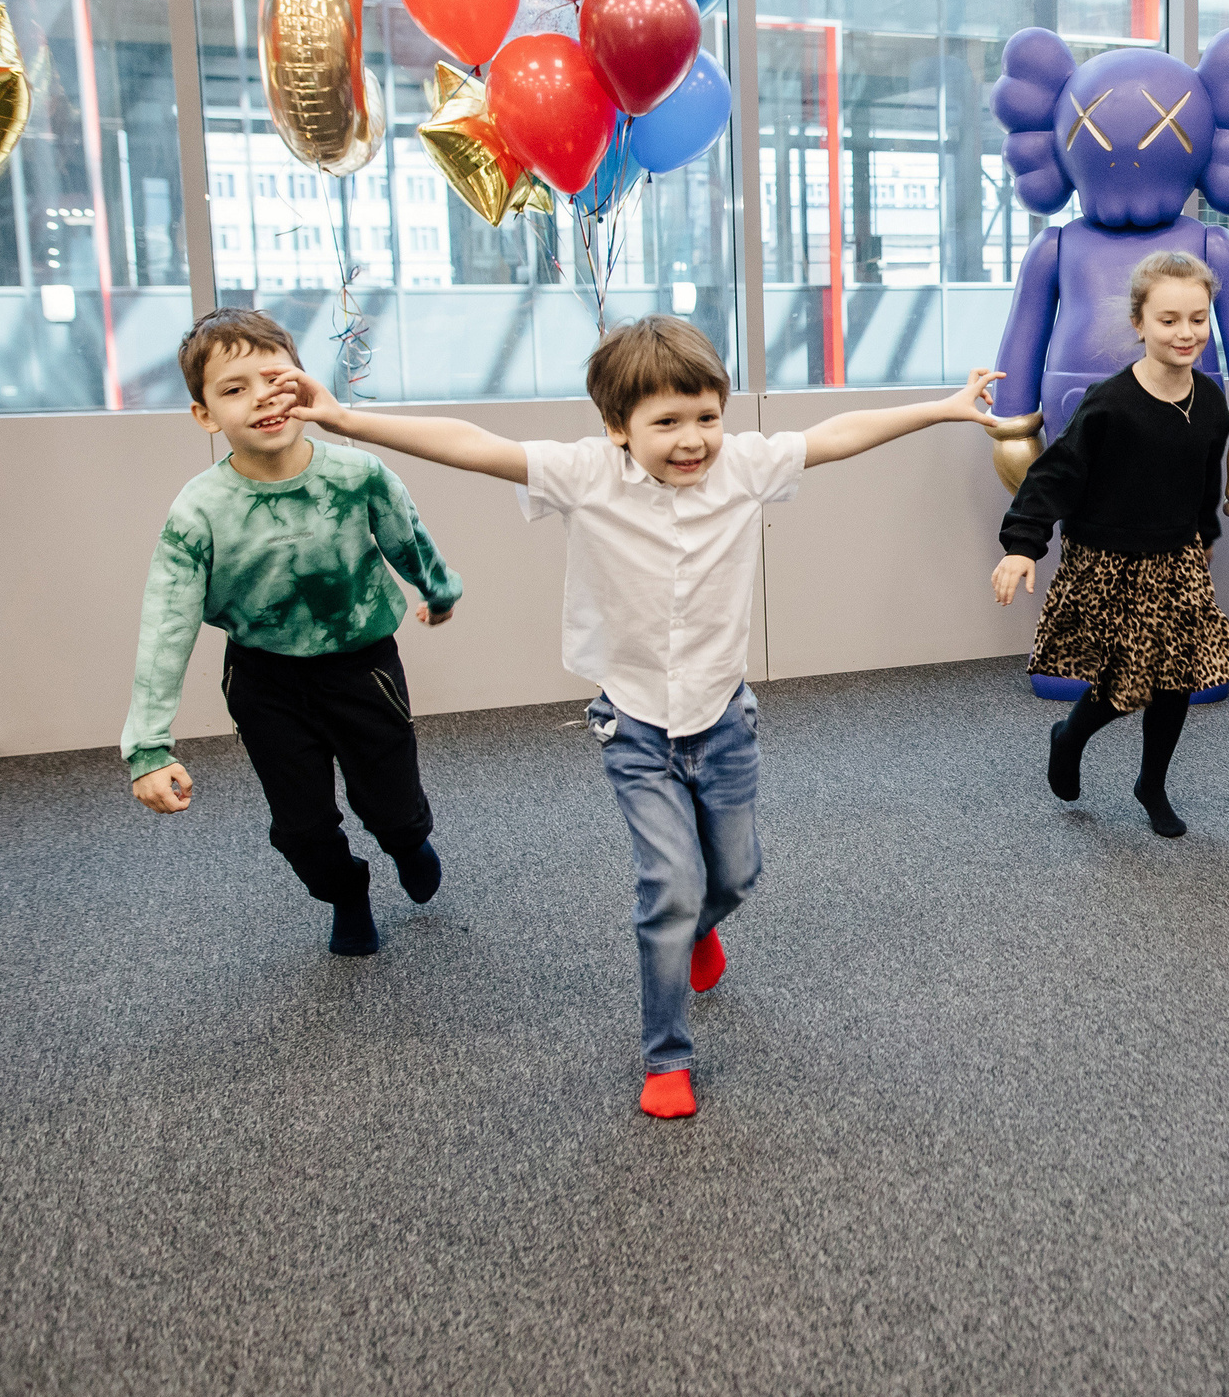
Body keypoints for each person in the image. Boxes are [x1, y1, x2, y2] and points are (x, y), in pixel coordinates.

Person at [273, 316, 998, 1120]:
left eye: (707, 417)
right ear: (618, 427)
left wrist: (942, 407)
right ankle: (666, 1055)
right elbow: (472, 444)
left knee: (734, 874)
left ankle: (698, 928)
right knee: (669, 885)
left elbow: (839, 434)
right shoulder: (586, 474)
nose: (693, 440)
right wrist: (344, 418)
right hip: (635, 725)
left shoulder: (746, 465)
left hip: (724, 718)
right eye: (667, 422)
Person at [124, 308, 462, 958]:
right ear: (204, 414)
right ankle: (346, 893)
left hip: (361, 667)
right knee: (302, 825)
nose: (259, 399)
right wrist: (147, 746)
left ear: (303, 384)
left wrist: (438, 590)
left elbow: (407, 535)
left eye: (273, 379)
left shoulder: (355, 475)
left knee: (390, 801)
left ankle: (408, 841)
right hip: (265, 680)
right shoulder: (200, 509)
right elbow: (166, 620)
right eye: (233, 388)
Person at [991, 251, 1229, 840]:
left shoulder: (1209, 401)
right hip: (1109, 559)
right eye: (1169, 320)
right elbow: (1051, 476)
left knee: (1178, 672)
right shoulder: (1110, 404)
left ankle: (1151, 783)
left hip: (1176, 556)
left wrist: (1204, 534)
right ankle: (1070, 736)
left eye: (1198, 319)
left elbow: (1206, 474)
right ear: (1139, 323)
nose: (1186, 333)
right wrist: (1021, 545)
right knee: (1126, 680)